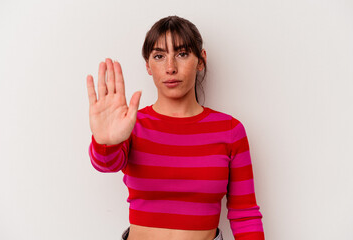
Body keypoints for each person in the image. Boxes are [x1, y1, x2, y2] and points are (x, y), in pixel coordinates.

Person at [86, 15, 265, 240]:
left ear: (201, 60)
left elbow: (244, 214)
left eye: (182, 54)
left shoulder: (230, 130)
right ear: (148, 65)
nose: (170, 67)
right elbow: (106, 164)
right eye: (159, 56)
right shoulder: (131, 123)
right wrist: (106, 141)